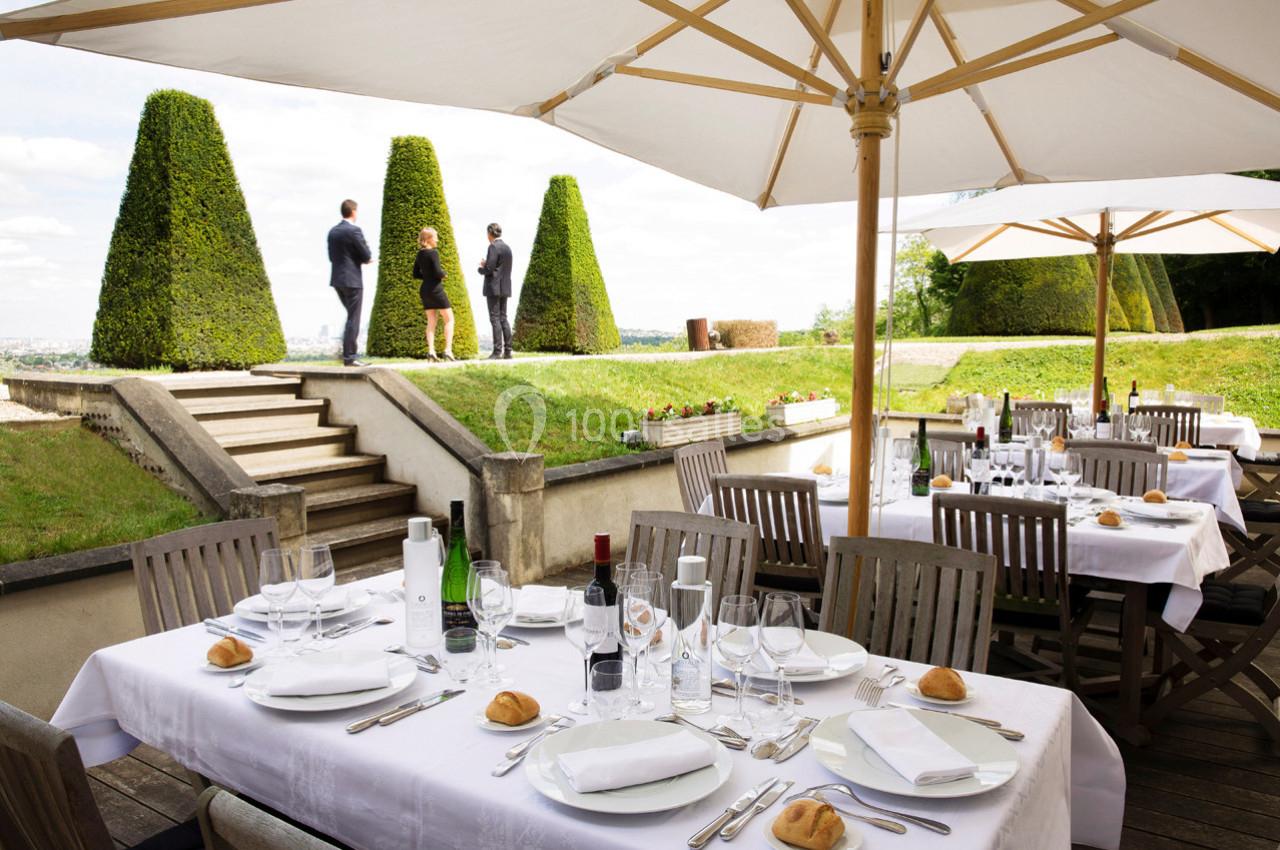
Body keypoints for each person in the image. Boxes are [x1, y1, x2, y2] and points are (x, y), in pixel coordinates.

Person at [327, 199, 372, 366]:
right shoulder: (354, 231)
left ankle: (347, 353)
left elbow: (332, 257)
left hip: (337, 279)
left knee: (351, 318)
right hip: (352, 280)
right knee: (354, 317)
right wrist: (365, 256)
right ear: (353, 212)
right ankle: (350, 357)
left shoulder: (332, 232)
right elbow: (366, 255)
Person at [413, 227, 455, 361]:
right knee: (449, 319)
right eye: (435, 237)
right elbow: (438, 272)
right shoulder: (434, 253)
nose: (437, 239)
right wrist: (444, 275)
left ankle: (431, 351)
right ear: (429, 239)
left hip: (424, 289)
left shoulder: (420, 254)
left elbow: (415, 274)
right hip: (436, 289)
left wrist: (427, 276)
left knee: (431, 321)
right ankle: (448, 351)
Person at [478, 222, 513, 360]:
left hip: (493, 287)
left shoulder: (493, 247)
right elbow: (500, 267)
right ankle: (508, 351)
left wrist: (481, 268)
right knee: (503, 318)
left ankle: (497, 351)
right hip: (505, 287)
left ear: (490, 233)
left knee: (495, 319)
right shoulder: (507, 248)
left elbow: (489, 269)